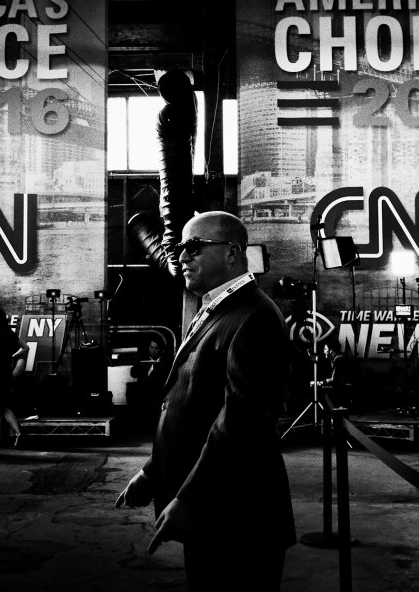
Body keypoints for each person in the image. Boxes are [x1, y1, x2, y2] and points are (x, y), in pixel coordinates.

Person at [115, 211, 296, 591]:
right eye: (180, 247)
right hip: (212, 515)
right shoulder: (214, 309)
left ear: (232, 253)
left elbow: (241, 423)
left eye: (194, 247)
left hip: (239, 519)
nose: (182, 257)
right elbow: (193, 408)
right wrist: (153, 471)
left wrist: (190, 499)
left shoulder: (255, 317)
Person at [0, 308, 29, 447]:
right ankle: (18, 433)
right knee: (5, 406)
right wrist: (12, 356)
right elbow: (25, 347)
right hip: (6, 371)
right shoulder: (10, 333)